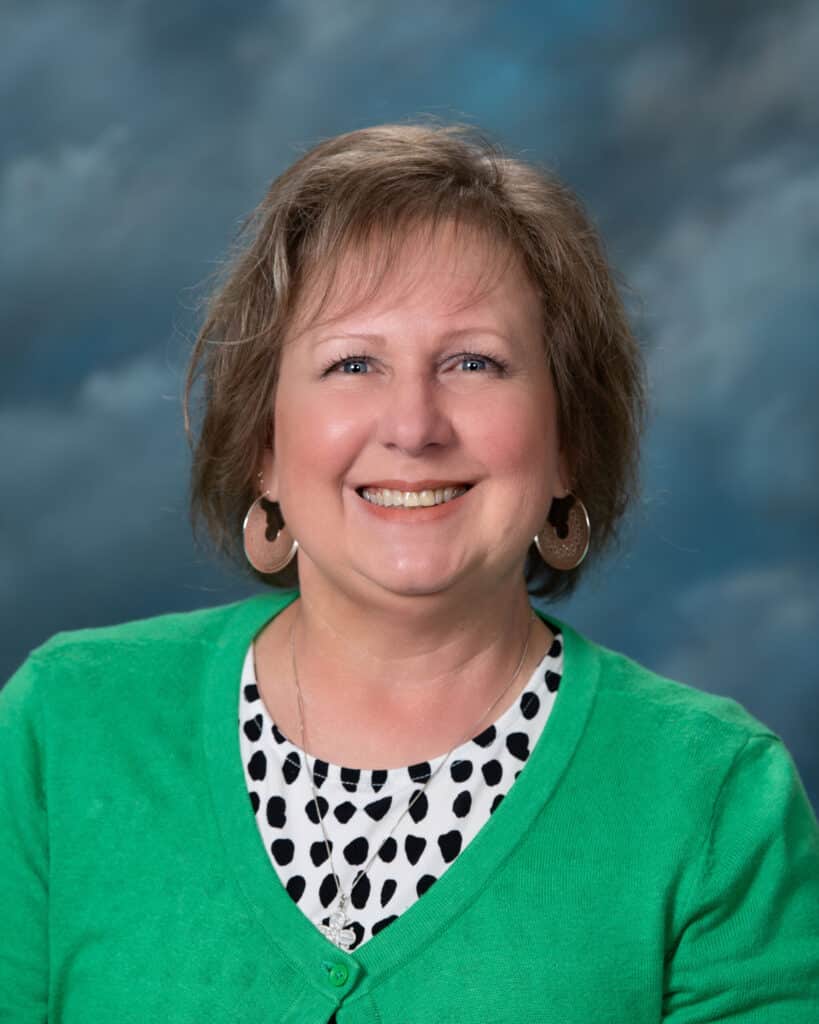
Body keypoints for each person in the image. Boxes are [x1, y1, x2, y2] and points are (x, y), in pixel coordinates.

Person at [1, 123, 817, 1023]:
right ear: (264, 445)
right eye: (352, 363)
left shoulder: (713, 796)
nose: (414, 425)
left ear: (567, 445)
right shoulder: (64, 728)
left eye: (474, 362)